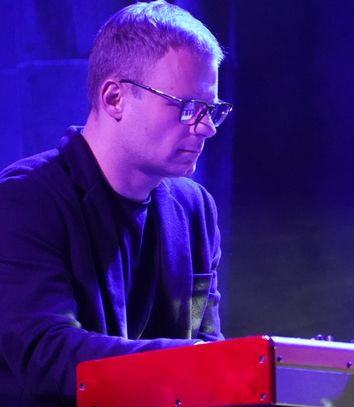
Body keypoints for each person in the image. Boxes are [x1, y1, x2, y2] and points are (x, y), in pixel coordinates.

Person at [0, 1, 232, 405]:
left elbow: (206, 343)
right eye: (187, 107)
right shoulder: (26, 199)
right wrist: (195, 361)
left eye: (211, 110)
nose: (207, 128)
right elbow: (47, 354)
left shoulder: (196, 209)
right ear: (114, 98)